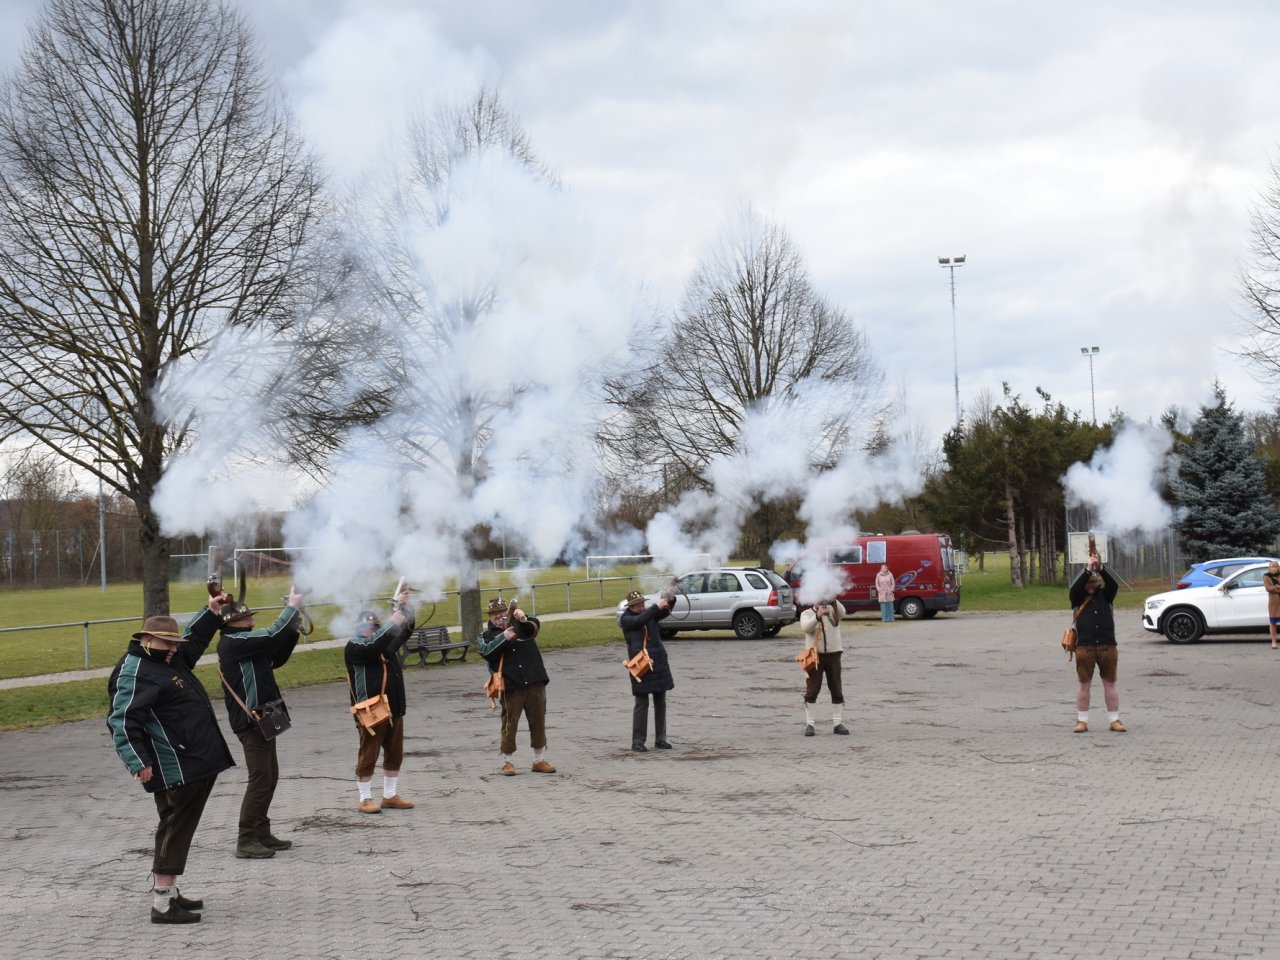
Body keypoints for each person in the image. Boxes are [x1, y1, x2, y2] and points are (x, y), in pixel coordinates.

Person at [107, 608, 235, 924]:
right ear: (148, 640)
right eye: (168, 644)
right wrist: (138, 762)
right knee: (175, 828)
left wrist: (213, 613)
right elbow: (123, 721)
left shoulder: (162, 659)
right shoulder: (136, 671)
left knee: (179, 827)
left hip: (193, 761)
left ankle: (170, 893)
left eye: (174, 643)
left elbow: (191, 645)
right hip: (175, 766)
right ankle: (162, 904)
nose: (175, 649)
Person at [216, 587, 304, 858]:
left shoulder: (245, 642)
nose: (251, 622)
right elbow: (270, 634)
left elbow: (276, 656)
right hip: (250, 721)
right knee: (260, 779)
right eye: (245, 620)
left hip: (264, 717)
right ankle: (246, 839)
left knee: (269, 777)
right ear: (231, 624)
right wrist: (291, 606)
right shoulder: (234, 642)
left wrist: (293, 628)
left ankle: (261, 832)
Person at [345, 587, 417, 814]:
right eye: (367, 627)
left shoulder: (382, 643)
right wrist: (391, 621)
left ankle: (389, 795)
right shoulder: (355, 647)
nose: (371, 630)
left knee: (395, 753)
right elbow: (373, 645)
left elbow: (404, 631)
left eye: (375, 627)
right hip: (371, 710)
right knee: (369, 753)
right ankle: (365, 798)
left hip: (394, 706)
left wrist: (404, 608)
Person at [478, 596, 556, 776]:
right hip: (511, 685)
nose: (498, 616)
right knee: (509, 723)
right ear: (490, 617)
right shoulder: (486, 635)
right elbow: (486, 652)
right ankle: (508, 762)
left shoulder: (523, 624)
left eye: (502, 612)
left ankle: (539, 760)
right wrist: (503, 637)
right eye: (494, 613)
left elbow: (534, 627)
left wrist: (523, 618)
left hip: (535, 679)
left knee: (538, 721)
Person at [1068, 554, 1123, 733]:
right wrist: (1087, 570)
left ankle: (1114, 720)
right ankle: (1082, 721)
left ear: (1098, 582)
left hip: (1108, 646)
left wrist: (1100, 568)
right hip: (1085, 646)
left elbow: (1114, 584)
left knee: (1110, 684)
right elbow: (1074, 589)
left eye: (1094, 582)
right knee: (1084, 684)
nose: (1091, 585)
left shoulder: (1106, 595)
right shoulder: (1077, 596)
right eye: (1088, 582)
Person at [618, 588, 675, 752]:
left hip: (657, 662)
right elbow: (642, 619)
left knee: (661, 702)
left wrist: (669, 598)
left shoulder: (650, 613)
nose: (641, 606)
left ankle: (661, 739)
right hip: (640, 665)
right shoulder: (626, 619)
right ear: (631, 606)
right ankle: (638, 742)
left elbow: (663, 612)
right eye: (638, 604)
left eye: (642, 603)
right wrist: (656, 606)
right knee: (641, 704)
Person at [799, 599, 849, 736]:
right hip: (814, 656)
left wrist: (833, 600)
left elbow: (843, 612)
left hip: (834, 654)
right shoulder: (807, 613)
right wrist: (817, 616)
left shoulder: (833, 610)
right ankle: (810, 724)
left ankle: (837, 723)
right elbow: (805, 628)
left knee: (836, 688)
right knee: (812, 689)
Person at [1266, 561, 1280, 650]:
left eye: (1275, 566)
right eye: (1272, 567)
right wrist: (1277, 587)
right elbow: (1268, 588)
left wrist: (1276, 587)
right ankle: (1273, 641)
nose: (1273, 568)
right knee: (1273, 622)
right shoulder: (1267, 576)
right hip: (1274, 602)